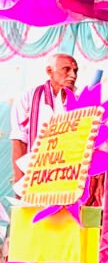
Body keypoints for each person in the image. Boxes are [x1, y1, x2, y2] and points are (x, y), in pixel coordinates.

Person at [10, 54, 78, 183]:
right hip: (36, 175)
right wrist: (19, 180)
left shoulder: (80, 101)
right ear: (49, 71)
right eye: (66, 69)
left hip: (69, 176)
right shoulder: (28, 97)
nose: (73, 75)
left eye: (75, 71)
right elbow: (19, 140)